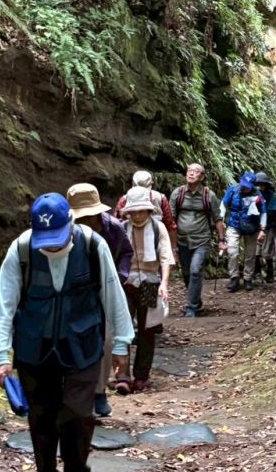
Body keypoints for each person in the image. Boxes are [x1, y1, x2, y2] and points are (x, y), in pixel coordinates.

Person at [0, 193, 134, 472]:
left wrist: (122, 344)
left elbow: (112, 293)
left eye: (57, 239)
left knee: (78, 416)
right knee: (41, 419)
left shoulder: (93, 246)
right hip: (34, 347)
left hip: (83, 345)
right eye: (45, 241)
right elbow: (4, 303)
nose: (51, 247)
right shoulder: (22, 250)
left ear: (71, 224)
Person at [66, 183, 133, 418]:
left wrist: (119, 276)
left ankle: (99, 392)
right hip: (74, 293)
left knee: (105, 342)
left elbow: (127, 252)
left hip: (104, 288)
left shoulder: (113, 228)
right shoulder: (63, 231)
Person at [118, 186, 174, 392]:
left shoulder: (159, 228)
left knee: (147, 330)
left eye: (141, 211)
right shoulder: (122, 228)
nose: (137, 215)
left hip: (150, 282)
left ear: (149, 211)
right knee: (122, 330)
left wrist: (164, 283)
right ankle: (122, 375)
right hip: (126, 282)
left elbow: (166, 256)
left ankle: (142, 375)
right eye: (134, 211)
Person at [169, 163, 227, 318]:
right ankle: (196, 301)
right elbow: (171, 221)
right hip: (182, 240)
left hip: (202, 240)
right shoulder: (178, 194)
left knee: (195, 271)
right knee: (187, 273)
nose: (191, 173)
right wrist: (172, 246)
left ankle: (191, 307)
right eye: (189, 171)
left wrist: (222, 240)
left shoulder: (209, 196)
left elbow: (218, 219)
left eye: (196, 171)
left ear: (202, 177)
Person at [220, 171, 266, 292]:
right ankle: (234, 277)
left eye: (247, 186)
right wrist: (221, 220)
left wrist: (262, 229)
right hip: (234, 225)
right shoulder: (233, 190)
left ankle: (247, 278)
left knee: (250, 255)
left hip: (251, 227)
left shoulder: (257, 195)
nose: (244, 188)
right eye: (243, 184)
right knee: (232, 251)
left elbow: (263, 212)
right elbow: (223, 205)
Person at [114, 170, 178, 252]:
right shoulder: (124, 201)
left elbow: (170, 226)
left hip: (156, 248)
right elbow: (116, 226)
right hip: (131, 248)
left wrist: (174, 250)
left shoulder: (160, 199)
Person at [253, 172, 276, 284]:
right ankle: (256, 273)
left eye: (261, 184)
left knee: (266, 252)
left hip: (269, 227)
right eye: (257, 184)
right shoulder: (253, 194)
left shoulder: (272, 197)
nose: (259, 186)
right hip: (255, 227)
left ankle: (270, 273)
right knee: (256, 251)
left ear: (266, 184)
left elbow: (272, 212)